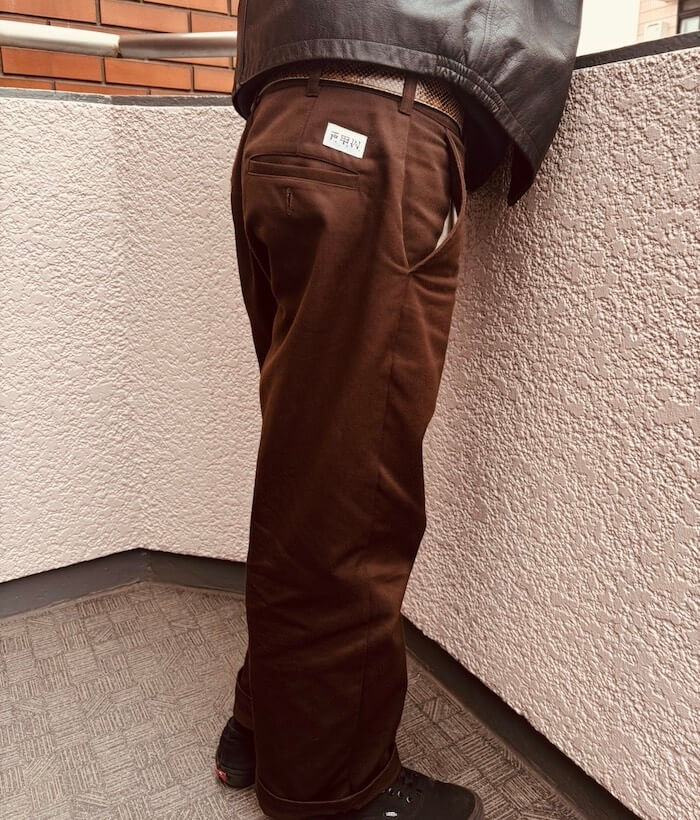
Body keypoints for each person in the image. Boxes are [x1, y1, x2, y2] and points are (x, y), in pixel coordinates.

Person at [214, 2, 583, 818]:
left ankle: (262, 722)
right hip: (382, 124)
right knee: (353, 491)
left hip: (279, 118)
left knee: (306, 462)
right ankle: (334, 787)